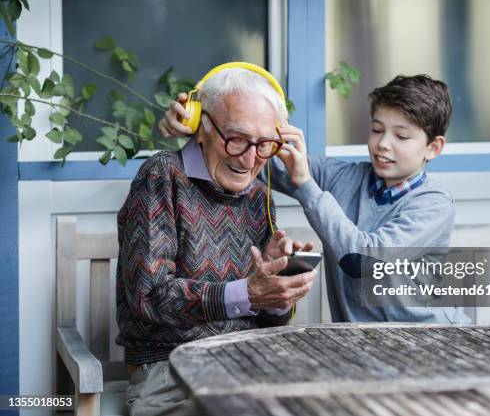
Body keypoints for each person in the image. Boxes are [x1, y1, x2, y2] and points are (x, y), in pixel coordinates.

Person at [160, 74, 470, 325]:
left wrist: (307, 185)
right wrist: (198, 125)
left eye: (401, 137)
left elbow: (361, 260)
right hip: (368, 351)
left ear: (433, 148)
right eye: (377, 130)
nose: (383, 145)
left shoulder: (433, 203)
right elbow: (252, 158)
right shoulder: (344, 177)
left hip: (433, 341)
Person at [117, 64, 316, 416]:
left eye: (264, 144)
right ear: (200, 128)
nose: (250, 158)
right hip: (171, 371)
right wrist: (248, 292)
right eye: (237, 138)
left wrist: (276, 292)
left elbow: (267, 323)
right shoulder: (161, 175)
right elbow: (148, 298)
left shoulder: (259, 196)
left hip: (250, 364)